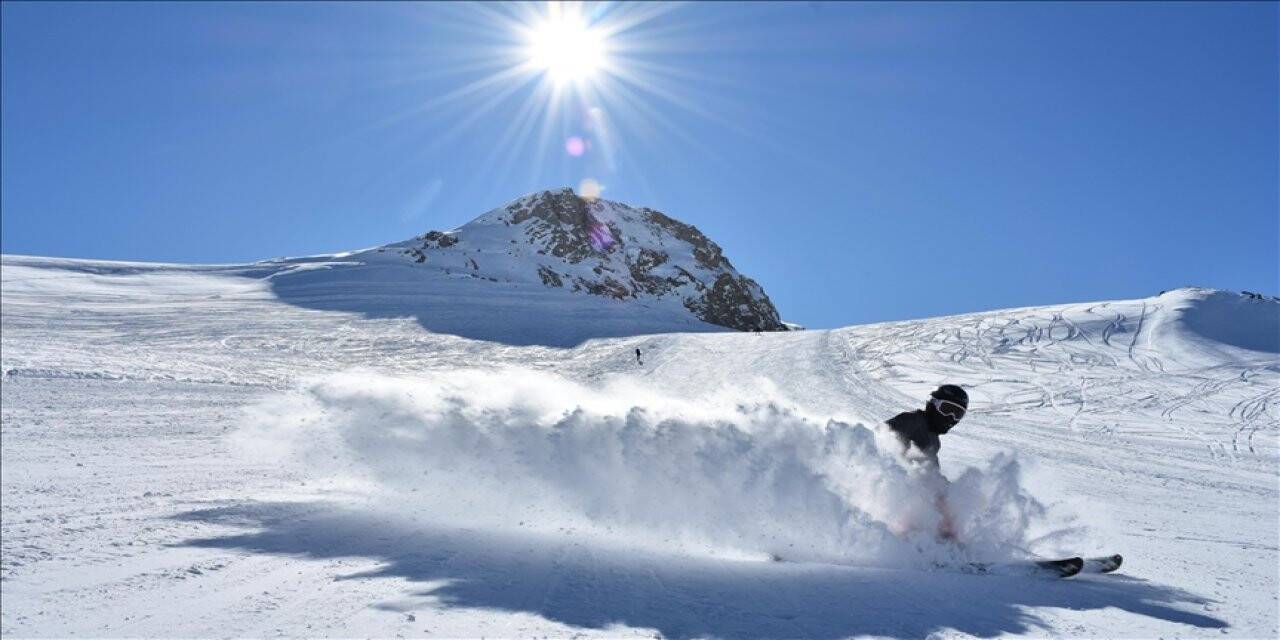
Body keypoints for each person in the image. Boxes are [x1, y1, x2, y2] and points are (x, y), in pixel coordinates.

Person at [885, 384, 968, 539]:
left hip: (911, 489)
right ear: (933, 404)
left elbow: (931, 472)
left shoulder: (933, 438)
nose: (951, 417)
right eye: (946, 409)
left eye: (958, 414)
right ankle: (907, 538)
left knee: (948, 499)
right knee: (939, 501)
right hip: (895, 485)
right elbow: (879, 438)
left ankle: (944, 543)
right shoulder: (911, 421)